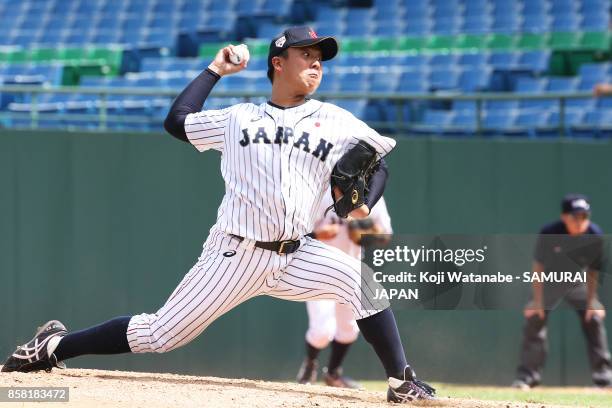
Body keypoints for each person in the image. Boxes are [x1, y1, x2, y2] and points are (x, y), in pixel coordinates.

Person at [1, 26, 435, 403]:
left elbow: (379, 163)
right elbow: (178, 122)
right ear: (278, 63)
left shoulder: (337, 120)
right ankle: (53, 345)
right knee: (159, 335)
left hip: (297, 254)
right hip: (236, 254)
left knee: (360, 281)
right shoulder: (238, 119)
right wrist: (215, 71)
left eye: (321, 58)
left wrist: (360, 204)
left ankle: (402, 381)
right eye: (307, 55)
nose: (317, 64)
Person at [512, 194, 612, 389]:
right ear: (564, 217)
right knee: (535, 317)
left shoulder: (594, 234)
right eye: (575, 217)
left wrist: (592, 301)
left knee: (594, 318)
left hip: (577, 281)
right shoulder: (550, 232)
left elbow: (593, 270)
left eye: (584, 216)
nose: (580, 221)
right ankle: (527, 378)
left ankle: (605, 380)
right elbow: (538, 267)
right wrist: (537, 301)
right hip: (550, 280)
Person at [296, 192, 392, 388]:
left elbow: (385, 235)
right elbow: (295, 235)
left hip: (351, 269)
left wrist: (369, 234)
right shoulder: (318, 192)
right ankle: (309, 366)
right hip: (318, 267)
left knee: (349, 330)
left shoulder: (370, 197)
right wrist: (316, 235)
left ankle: (333, 374)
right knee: (322, 331)